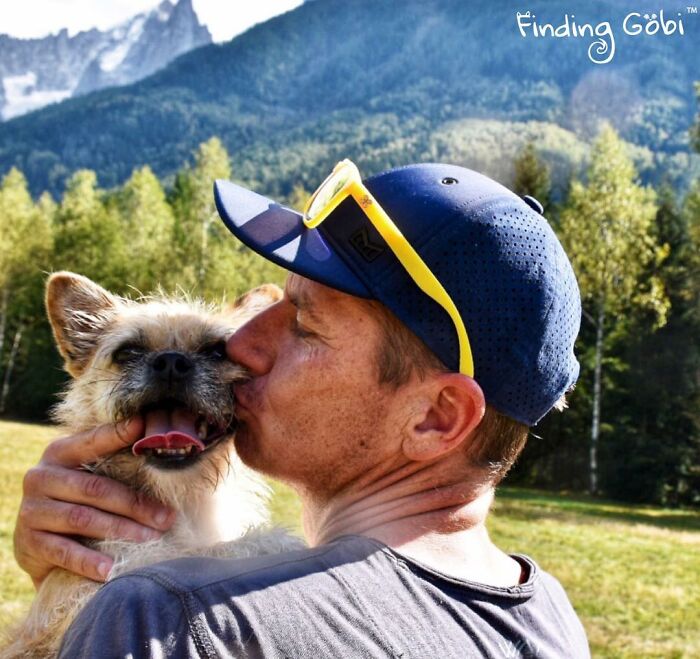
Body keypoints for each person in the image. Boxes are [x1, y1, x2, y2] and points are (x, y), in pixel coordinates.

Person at [14, 160, 590, 657]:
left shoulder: (170, 619)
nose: (241, 345)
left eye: (304, 325)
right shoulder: (549, 618)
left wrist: (106, 605)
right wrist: (66, 588)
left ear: (435, 417)